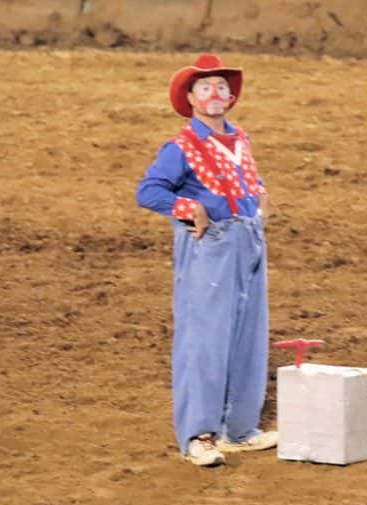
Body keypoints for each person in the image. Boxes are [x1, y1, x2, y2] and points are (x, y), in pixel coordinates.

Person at [136, 54, 277, 467]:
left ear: (230, 97)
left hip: (247, 239)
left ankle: (239, 429)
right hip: (211, 245)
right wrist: (189, 209)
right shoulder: (180, 147)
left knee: (248, 333)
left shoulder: (240, 139)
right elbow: (149, 191)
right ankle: (199, 435)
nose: (215, 93)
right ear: (191, 99)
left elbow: (247, 180)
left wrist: (260, 197)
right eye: (205, 87)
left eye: (221, 87)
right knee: (205, 338)